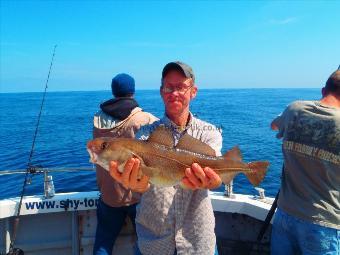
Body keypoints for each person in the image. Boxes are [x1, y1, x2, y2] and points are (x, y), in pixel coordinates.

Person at [109, 61, 223, 255]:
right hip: (154, 244)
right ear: (161, 92)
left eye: (181, 87)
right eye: (169, 87)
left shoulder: (210, 133)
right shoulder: (145, 134)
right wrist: (135, 184)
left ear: (193, 91)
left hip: (197, 243)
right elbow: (143, 184)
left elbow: (214, 174)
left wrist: (215, 181)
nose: (174, 92)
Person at [270, 70, 340, 254]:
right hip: (324, 222)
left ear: (323, 90)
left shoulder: (294, 109)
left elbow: (274, 125)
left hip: (285, 213)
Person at [93, 73, 157, 255]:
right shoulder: (145, 119)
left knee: (103, 242)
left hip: (109, 194)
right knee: (146, 242)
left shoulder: (98, 120)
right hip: (138, 196)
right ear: (133, 91)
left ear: (114, 91)